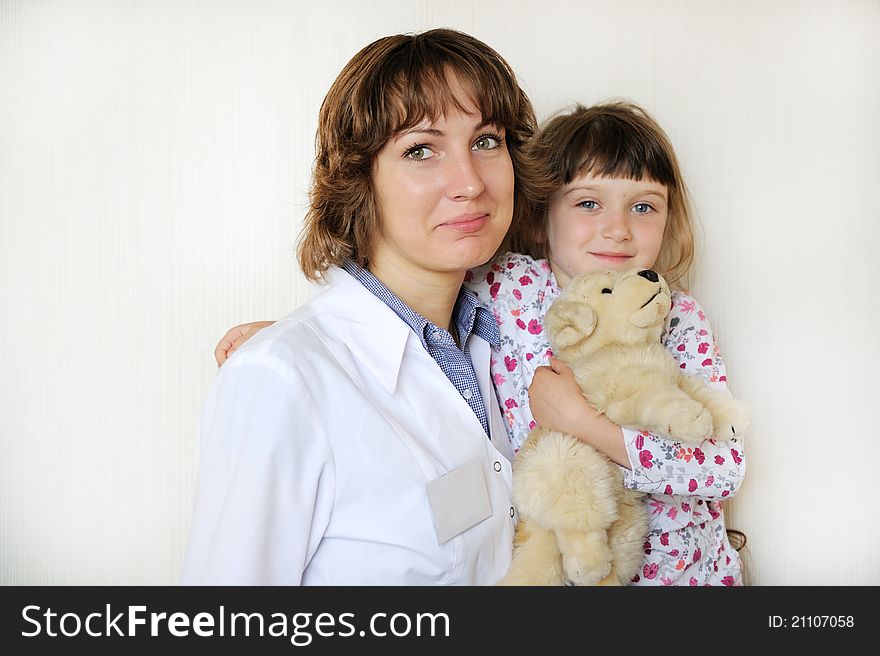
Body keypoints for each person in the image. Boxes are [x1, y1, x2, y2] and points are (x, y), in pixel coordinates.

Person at [220, 101, 748, 586]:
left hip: (685, 577)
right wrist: (302, 335)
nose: (617, 230)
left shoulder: (677, 320)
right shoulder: (506, 287)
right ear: (541, 218)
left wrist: (589, 427)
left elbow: (723, 470)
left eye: (644, 207)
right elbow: (399, 307)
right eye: (589, 203)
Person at [182, 28, 550, 585]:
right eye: (421, 150)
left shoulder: (504, 337)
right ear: (359, 180)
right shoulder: (279, 379)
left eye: (486, 141)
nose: (469, 183)